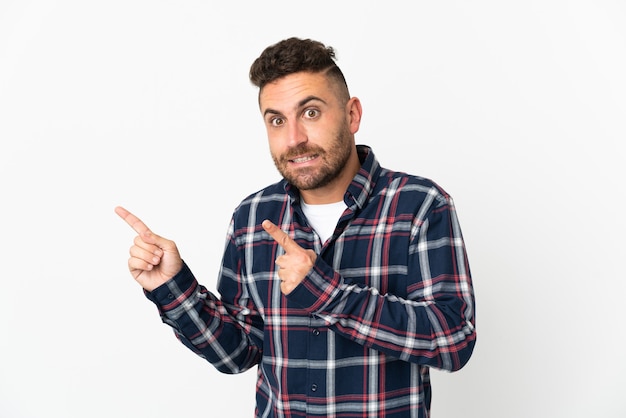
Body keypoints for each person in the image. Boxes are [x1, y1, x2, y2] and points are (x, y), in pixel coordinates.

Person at [115, 37, 476, 418]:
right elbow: (238, 353)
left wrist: (328, 295)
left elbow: (453, 341)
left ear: (352, 114)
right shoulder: (253, 217)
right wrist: (172, 287)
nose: (294, 139)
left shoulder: (420, 204)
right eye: (276, 120)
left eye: (311, 113)